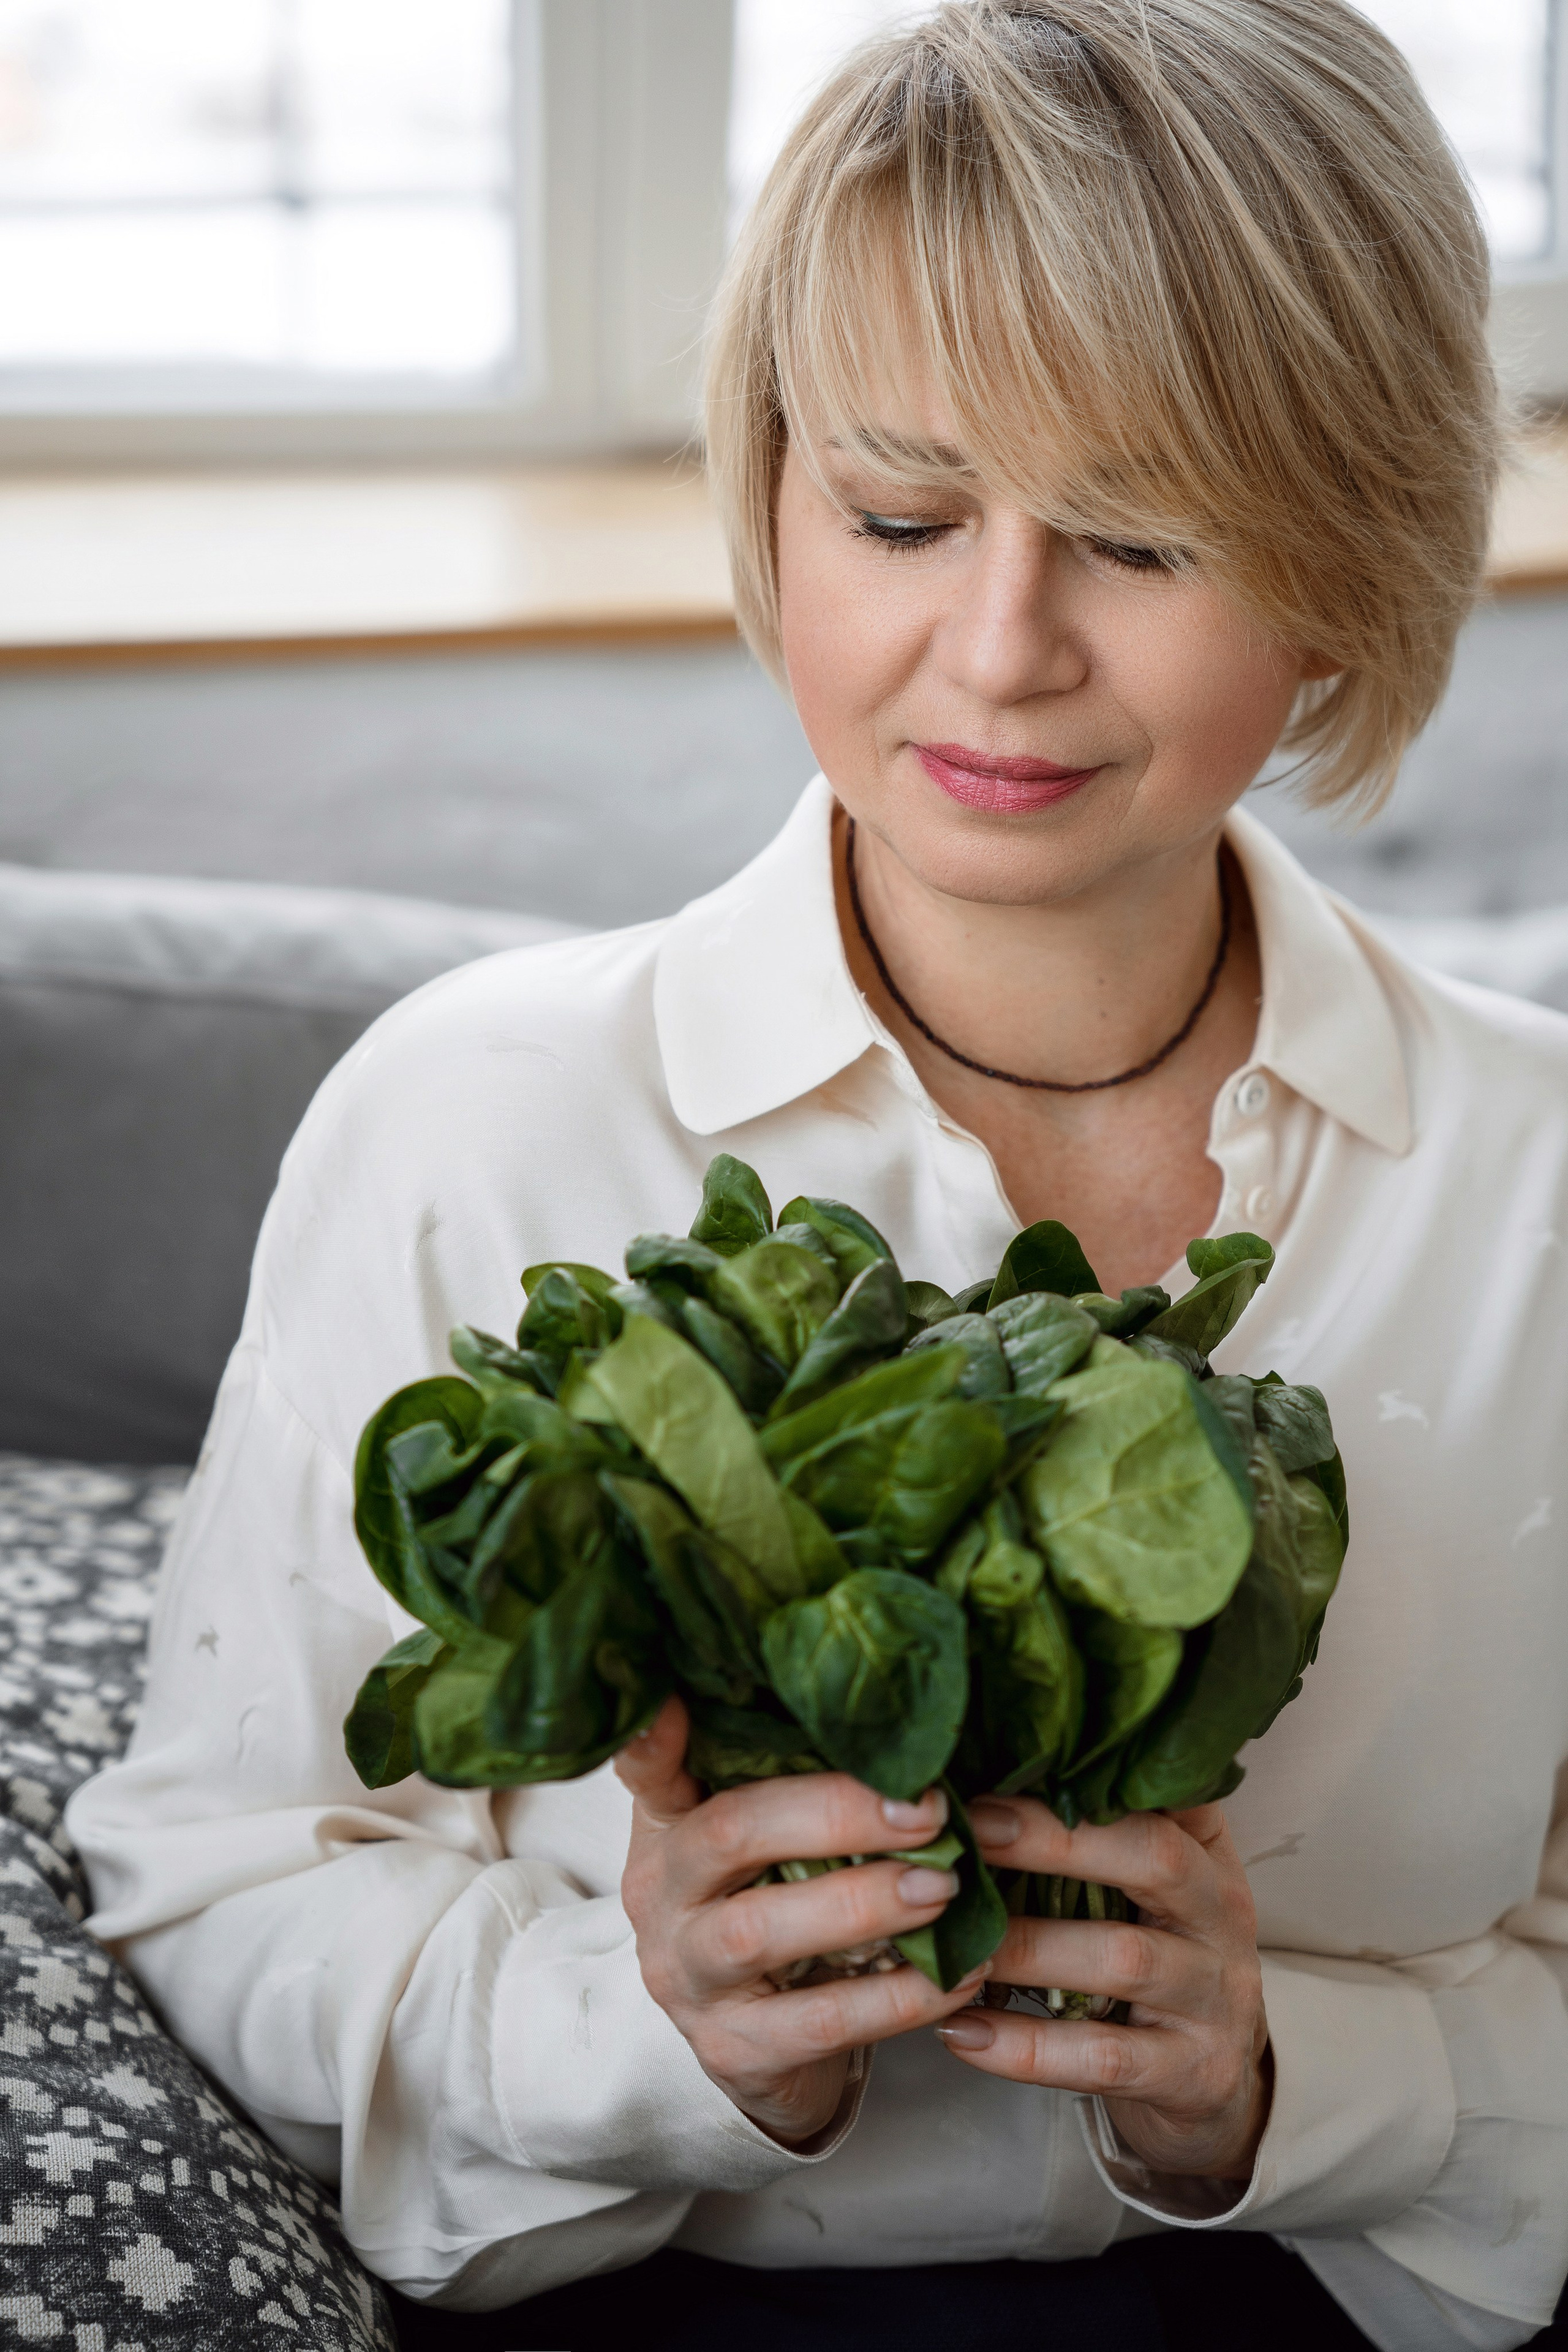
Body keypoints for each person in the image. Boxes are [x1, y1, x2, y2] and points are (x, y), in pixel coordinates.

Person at [67, 4, 1568, 2347]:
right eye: (898, 511)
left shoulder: (1543, 1185)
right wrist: (645, 2032)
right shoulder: (470, 1121)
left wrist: (1297, 2081)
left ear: (1356, 554)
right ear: (773, 490)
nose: (998, 649)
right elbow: (222, 1881)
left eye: (1146, 535)